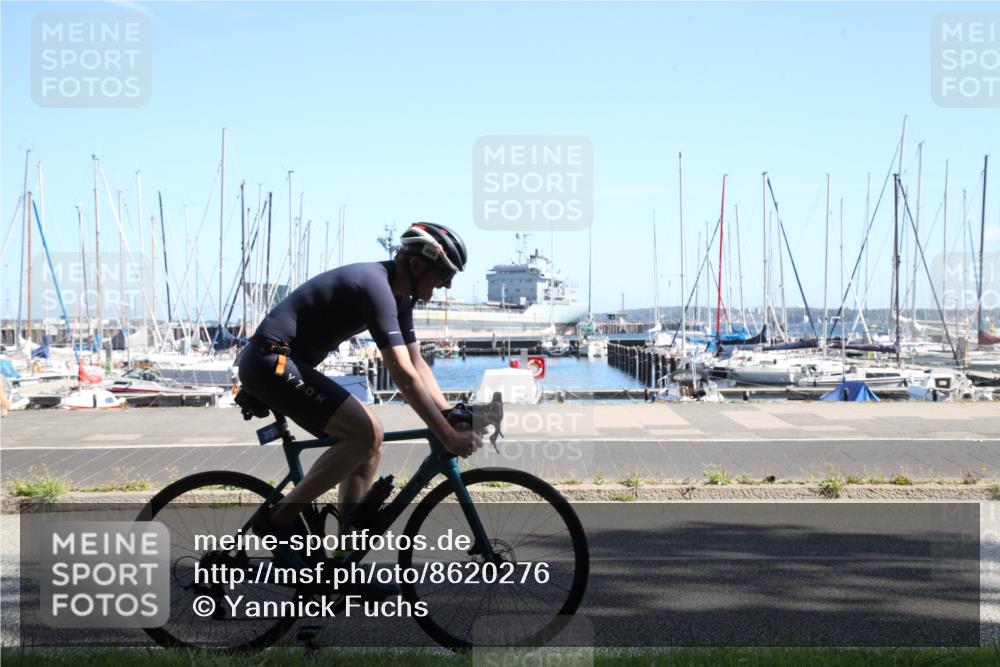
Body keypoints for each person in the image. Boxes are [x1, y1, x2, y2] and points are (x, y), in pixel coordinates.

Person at [238, 222, 483, 572]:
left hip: (287, 364)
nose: (447, 285)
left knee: (369, 446)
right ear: (417, 264)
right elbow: (402, 374)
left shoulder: (400, 297)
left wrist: (446, 413)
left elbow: (417, 363)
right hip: (270, 362)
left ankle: (343, 563)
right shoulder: (374, 286)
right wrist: (445, 435)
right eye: (444, 275)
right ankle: (277, 520)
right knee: (366, 432)